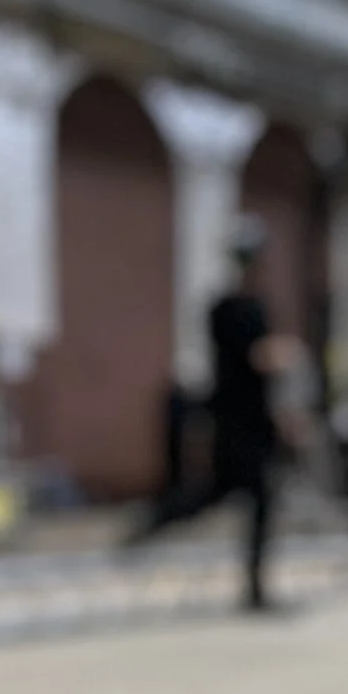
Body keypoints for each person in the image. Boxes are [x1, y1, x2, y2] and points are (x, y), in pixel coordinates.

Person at [126, 222, 300, 607]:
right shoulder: (235, 309)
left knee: (245, 499)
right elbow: (255, 358)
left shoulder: (237, 306)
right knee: (227, 497)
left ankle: (252, 588)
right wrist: (282, 355)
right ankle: (154, 524)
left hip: (249, 420)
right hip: (238, 422)